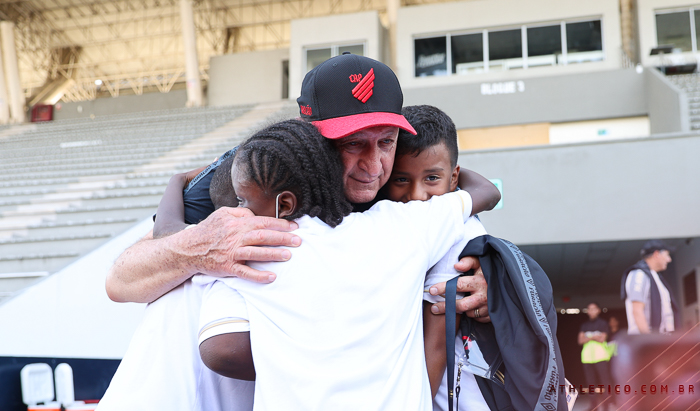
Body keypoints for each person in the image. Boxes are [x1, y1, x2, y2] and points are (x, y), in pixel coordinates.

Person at [105, 54, 498, 323]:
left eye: (386, 141)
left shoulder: (404, 180)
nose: (374, 165)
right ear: (308, 136)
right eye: (352, 143)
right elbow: (121, 280)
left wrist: (487, 282)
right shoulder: (258, 174)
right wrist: (198, 248)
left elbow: (457, 187)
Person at [196, 119, 480, 410]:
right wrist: (445, 173)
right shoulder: (400, 225)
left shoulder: (253, 254)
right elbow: (485, 193)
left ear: (285, 205)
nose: (239, 212)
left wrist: (293, 360)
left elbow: (219, 351)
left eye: (241, 201)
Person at [97, 156, 253, 411]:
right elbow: (223, 352)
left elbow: (165, 231)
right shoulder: (219, 253)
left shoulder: (194, 245)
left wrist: (178, 179)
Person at [383, 105, 490, 410]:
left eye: (431, 178)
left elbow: (436, 349)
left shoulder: (455, 235)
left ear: (454, 179)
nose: (417, 195)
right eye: (401, 179)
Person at [621, 240, 680, 334]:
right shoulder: (639, 274)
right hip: (645, 339)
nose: (669, 259)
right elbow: (637, 311)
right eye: (667, 255)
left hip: (660, 338)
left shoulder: (656, 277)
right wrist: (649, 340)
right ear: (656, 254)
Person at [578, 302, 611, 411]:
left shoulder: (603, 323)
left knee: (604, 383)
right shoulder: (584, 325)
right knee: (591, 384)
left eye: (593, 309)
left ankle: (606, 406)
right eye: (589, 309)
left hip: (601, 357)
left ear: (598, 310)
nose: (591, 311)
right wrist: (594, 336)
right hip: (587, 358)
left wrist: (588, 337)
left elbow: (602, 339)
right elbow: (580, 340)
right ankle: (594, 406)